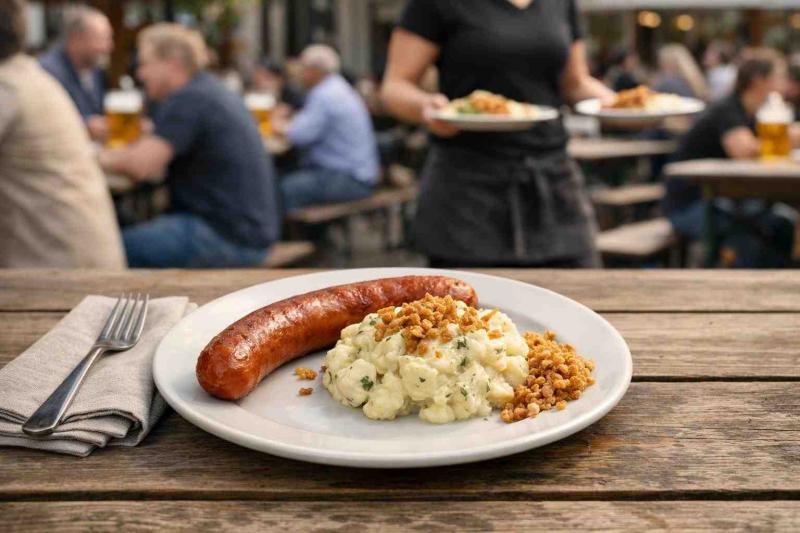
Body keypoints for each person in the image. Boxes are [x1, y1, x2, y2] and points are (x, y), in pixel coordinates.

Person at [380, 0, 614, 267]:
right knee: (472, 303)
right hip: (466, 188)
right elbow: (395, 86)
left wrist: (625, 104)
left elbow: (575, 83)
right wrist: (426, 108)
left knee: (580, 293)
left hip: (553, 179)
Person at [99, 23, 280, 268]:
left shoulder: (189, 99)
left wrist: (96, 157)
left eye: (144, 63)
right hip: (249, 232)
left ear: (171, 64)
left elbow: (140, 166)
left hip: (229, 238)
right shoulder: (207, 90)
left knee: (109, 249)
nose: (140, 73)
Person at [0, 0, 125, 268]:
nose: (108, 47)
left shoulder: (7, 86)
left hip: (59, 274)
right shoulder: (30, 74)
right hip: (81, 260)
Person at [664, 51, 795, 268]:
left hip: (728, 203)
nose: (785, 83)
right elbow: (744, 150)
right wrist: (787, 138)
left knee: (783, 224)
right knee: (749, 236)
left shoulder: (753, 114)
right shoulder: (728, 108)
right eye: (779, 77)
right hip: (691, 205)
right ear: (759, 81)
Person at [274, 45, 379, 212]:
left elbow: (299, 135)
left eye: (303, 69)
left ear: (314, 71)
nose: (300, 75)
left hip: (348, 178)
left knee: (283, 188)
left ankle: (290, 236)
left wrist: (277, 124)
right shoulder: (338, 88)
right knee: (291, 178)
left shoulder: (324, 95)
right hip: (360, 175)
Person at [39, 6, 113, 141]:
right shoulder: (47, 72)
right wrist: (84, 126)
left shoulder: (95, 68)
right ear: (75, 40)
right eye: (102, 39)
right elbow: (42, 120)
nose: (109, 46)